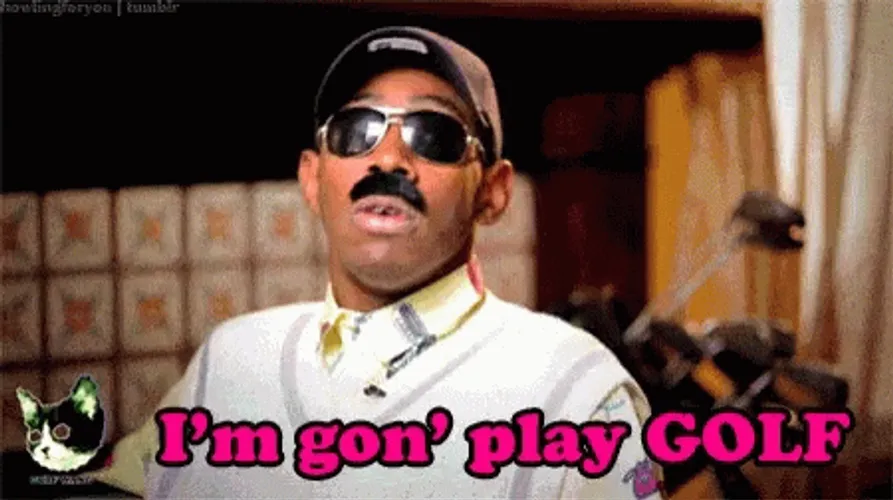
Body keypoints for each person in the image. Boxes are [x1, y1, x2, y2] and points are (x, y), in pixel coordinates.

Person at [97, 26, 663, 499]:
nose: (388, 158)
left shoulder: (578, 396)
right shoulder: (231, 360)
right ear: (312, 178)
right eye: (356, 130)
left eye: (434, 134)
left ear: (493, 192)